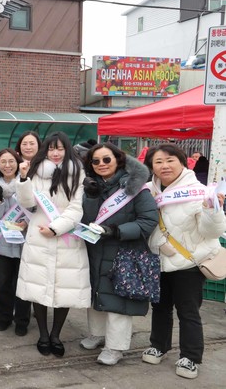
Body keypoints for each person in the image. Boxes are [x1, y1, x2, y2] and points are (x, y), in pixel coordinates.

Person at [141, 144, 226, 379]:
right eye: (158, 162)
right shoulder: (147, 191)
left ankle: (190, 357)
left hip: (188, 263)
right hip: (159, 261)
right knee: (160, 308)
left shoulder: (199, 191)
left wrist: (212, 210)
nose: (164, 166)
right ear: (151, 166)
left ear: (183, 162)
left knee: (188, 312)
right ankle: (158, 345)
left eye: (170, 160)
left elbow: (212, 232)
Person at [79, 143, 159, 365]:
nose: (102, 164)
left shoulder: (135, 187)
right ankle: (97, 334)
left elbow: (148, 220)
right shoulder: (91, 185)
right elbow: (88, 220)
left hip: (124, 252)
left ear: (118, 160)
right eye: (96, 161)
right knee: (95, 294)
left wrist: (117, 231)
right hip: (96, 249)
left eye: (107, 159)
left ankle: (115, 347)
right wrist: (92, 197)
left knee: (119, 301)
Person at [16, 131, 86, 358]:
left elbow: (76, 208)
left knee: (64, 288)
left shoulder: (78, 173)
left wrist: (56, 228)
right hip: (39, 235)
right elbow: (27, 203)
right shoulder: (35, 170)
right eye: (52, 148)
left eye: (60, 148)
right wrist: (23, 179)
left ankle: (56, 335)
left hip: (66, 235)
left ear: (67, 150)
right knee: (39, 286)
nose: (56, 153)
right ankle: (43, 335)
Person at [0, 148, 31, 336]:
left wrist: (26, 222)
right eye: (3, 162)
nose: (7, 165)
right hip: (1, 241)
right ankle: (4, 317)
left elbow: (34, 209)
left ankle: (22, 320)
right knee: (3, 282)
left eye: (11, 161)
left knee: (22, 283)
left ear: (18, 162)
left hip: (24, 240)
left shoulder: (26, 182)